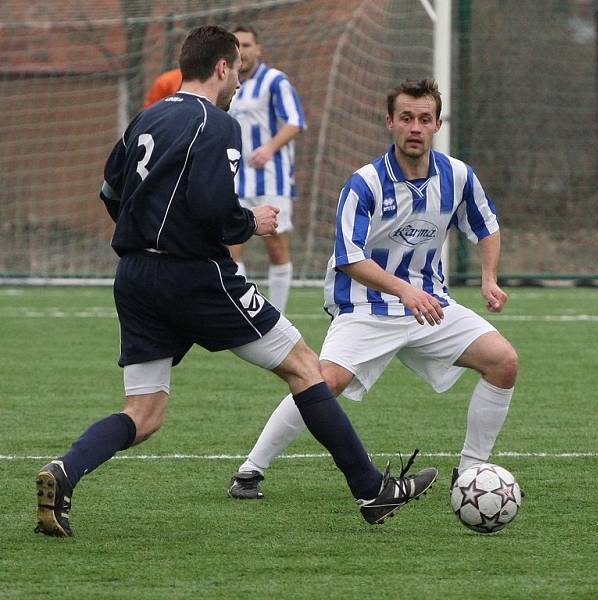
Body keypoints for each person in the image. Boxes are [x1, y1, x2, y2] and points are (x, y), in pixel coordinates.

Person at [33, 27, 436, 538]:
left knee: (144, 412)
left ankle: (65, 471)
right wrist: (251, 223)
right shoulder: (217, 124)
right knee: (305, 367)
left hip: (134, 275)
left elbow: (111, 192)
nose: (239, 81)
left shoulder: (147, 116)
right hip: (196, 274)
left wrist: (149, 231)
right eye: (237, 71)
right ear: (222, 67)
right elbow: (210, 207)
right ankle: (371, 490)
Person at [228, 78, 518, 501]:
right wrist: (404, 290)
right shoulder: (364, 183)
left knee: (504, 363)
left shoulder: (458, 176)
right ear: (390, 123)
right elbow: (349, 256)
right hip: (364, 305)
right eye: (406, 118)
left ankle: (471, 474)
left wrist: (489, 277)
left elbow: (486, 225)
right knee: (321, 382)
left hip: (430, 305)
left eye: (424, 118)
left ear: (437, 124)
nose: (415, 127)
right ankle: (250, 471)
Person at [226, 25, 306, 314]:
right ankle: (243, 314)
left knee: (276, 248)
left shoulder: (274, 81)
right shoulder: (228, 84)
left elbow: (295, 121)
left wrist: (269, 148)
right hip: (235, 182)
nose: (243, 51)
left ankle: (279, 316)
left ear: (258, 49)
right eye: (238, 46)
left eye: (248, 45)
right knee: (230, 248)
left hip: (272, 181)